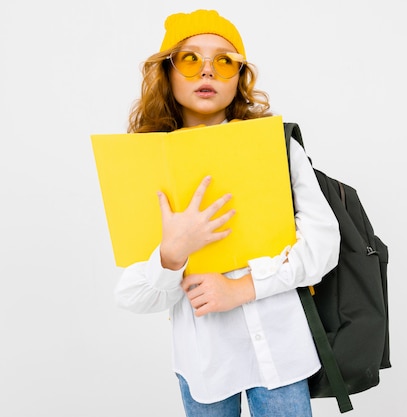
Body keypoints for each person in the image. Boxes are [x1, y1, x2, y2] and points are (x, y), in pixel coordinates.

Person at [114, 9, 340, 417]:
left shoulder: (277, 146)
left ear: (239, 76)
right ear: (167, 71)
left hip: (281, 355)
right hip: (205, 367)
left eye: (223, 60)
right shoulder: (141, 163)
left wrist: (242, 289)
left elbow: (324, 247)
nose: (207, 72)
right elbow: (131, 294)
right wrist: (172, 254)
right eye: (189, 58)